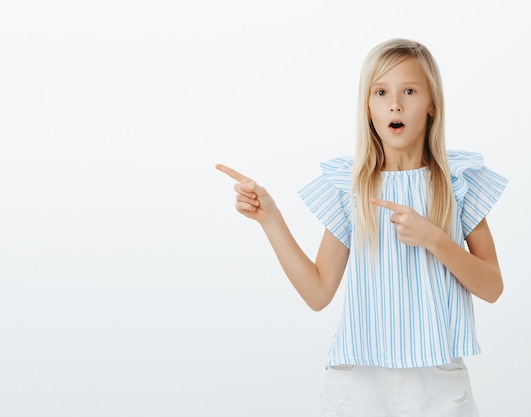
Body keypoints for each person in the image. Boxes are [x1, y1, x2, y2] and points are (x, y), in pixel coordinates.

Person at [216, 38, 507, 417]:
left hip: (438, 378)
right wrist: (270, 218)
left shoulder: (458, 182)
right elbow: (319, 293)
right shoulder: (351, 186)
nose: (395, 104)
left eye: (410, 91)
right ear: (367, 107)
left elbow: (493, 288)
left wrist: (435, 239)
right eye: (381, 92)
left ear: (432, 104)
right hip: (358, 380)